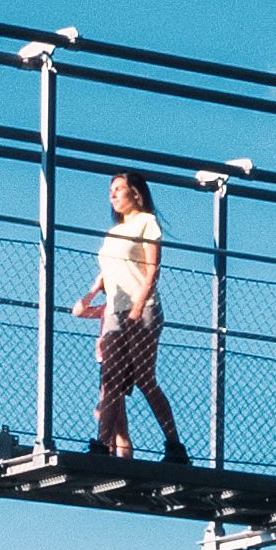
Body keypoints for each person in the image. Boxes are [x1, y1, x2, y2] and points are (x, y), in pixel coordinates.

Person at [74, 167, 187, 463]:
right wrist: (89, 296)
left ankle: (174, 445)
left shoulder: (146, 223)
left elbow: (153, 268)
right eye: (110, 191)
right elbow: (106, 272)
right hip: (114, 309)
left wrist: (138, 306)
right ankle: (101, 444)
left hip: (142, 309)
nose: (112, 195)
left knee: (143, 377)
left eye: (118, 189)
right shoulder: (113, 233)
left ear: (134, 193)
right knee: (110, 380)